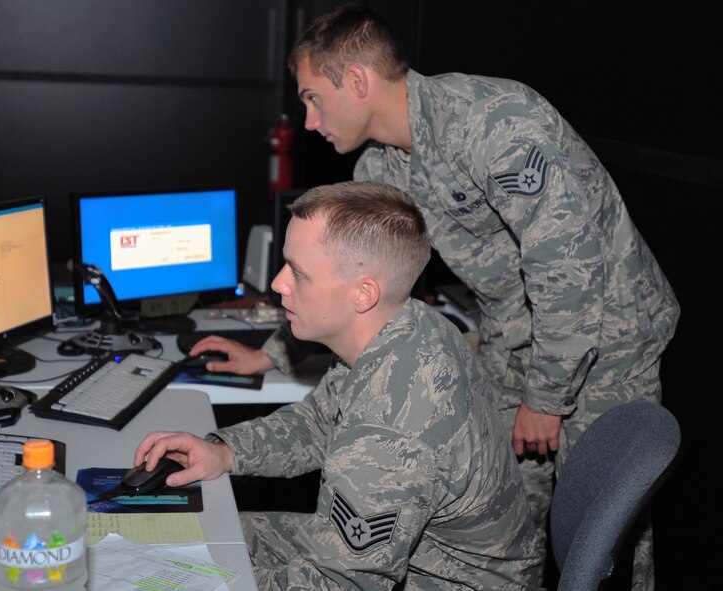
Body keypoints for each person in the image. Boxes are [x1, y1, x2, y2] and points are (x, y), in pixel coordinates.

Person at [190, 5, 680, 587]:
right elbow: (340, 275)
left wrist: (548, 397)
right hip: (515, 333)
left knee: (606, 536)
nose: (309, 118)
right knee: (504, 510)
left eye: (313, 97)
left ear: (358, 80)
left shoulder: (495, 120)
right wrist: (272, 352)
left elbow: (569, 269)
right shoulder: (383, 167)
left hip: (607, 336)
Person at [139, 181, 540, 589]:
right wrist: (225, 452)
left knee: (180, 573)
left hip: (447, 581)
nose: (278, 283)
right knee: (196, 536)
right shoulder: (405, 323)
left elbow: (334, 583)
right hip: (409, 558)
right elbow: (319, 421)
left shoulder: (393, 429)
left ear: (363, 293)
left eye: (298, 271)